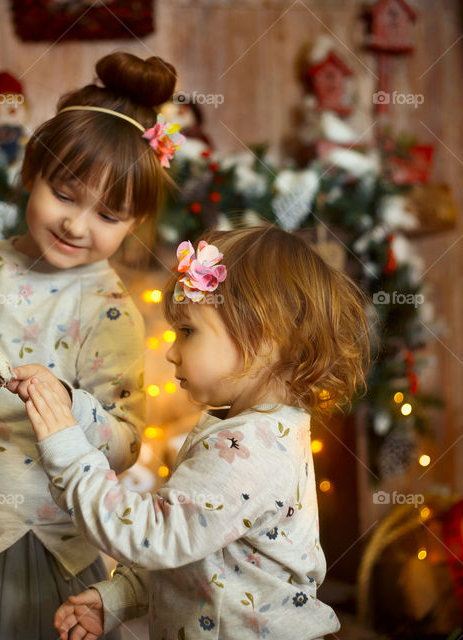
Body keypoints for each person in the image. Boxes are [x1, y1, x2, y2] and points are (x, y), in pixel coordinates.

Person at [0, 51, 184, 639]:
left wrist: (66, 404)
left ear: (133, 223)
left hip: (43, 546)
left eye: (109, 214)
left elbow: (125, 444)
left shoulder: (109, 312)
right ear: (31, 172)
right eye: (65, 194)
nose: (77, 225)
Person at [26, 226, 372, 639]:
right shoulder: (247, 430)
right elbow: (199, 552)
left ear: (265, 337)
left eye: (188, 331)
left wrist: (66, 448)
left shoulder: (249, 449)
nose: (171, 351)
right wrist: (121, 596)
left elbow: (153, 533)